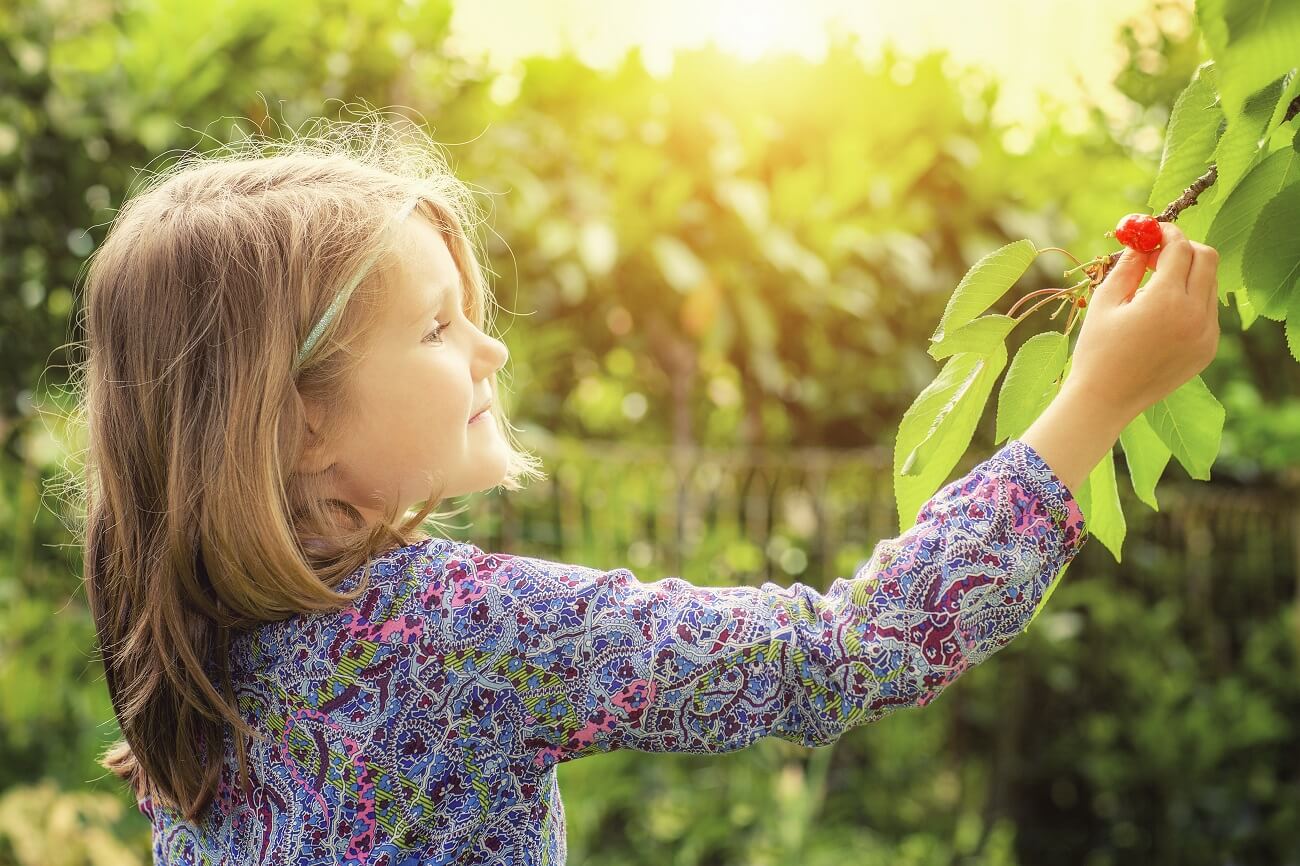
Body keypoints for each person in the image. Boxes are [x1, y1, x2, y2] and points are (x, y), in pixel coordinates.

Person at [74, 114, 1220, 865]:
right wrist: (1094, 401)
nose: (491, 353)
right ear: (297, 419)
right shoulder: (454, 629)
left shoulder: (192, 652)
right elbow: (846, 652)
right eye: (435, 326)